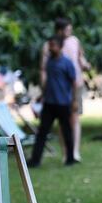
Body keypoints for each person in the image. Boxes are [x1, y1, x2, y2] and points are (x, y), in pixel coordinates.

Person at [41, 18, 91, 162]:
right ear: (59, 30)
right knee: (63, 122)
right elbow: (44, 68)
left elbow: (81, 59)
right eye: (67, 29)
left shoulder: (75, 41)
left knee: (75, 117)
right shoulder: (49, 45)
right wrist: (45, 86)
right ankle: (66, 153)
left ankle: (74, 152)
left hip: (75, 84)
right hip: (58, 88)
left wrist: (86, 66)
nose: (70, 32)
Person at [27, 36, 77, 168]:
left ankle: (70, 158)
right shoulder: (49, 62)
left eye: (53, 45)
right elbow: (49, 82)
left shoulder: (67, 63)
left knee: (67, 131)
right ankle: (35, 160)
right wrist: (42, 96)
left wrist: (74, 100)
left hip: (63, 103)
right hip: (49, 103)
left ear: (60, 47)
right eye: (50, 45)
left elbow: (74, 83)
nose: (50, 48)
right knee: (42, 132)